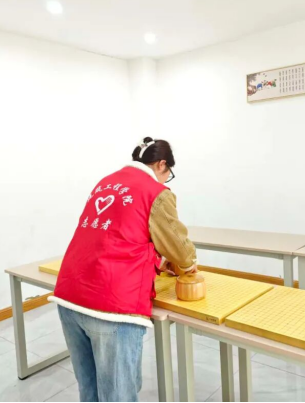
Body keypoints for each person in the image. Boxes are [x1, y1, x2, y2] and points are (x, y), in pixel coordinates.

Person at [49, 137, 198, 402]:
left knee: (89, 390)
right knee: (118, 396)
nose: (167, 179)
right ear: (162, 164)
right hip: (111, 307)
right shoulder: (155, 192)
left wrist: (157, 262)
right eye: (169, 173)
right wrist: (188, 265)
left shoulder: (106, 182)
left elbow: (115, 238)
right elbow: (178, 246)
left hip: (69, 297)